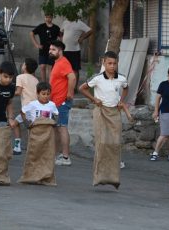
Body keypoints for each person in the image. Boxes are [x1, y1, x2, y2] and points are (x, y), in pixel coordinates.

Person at [78, 51, 128, 189]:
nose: (112, 66)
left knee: (115, 142)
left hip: (114, 112)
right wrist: (94, 99)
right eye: (109, 63)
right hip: (101, 111)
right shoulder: (98, 78)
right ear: (104, 63)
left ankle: (113, 177)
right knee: (102, 142)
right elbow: (82, 88)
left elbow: (126, 88)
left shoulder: (122, 78)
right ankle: (99, 177)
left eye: (114, 63)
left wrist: (121, 101)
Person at [18, 82, 59, 185]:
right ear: (37, 93)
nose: (46, 96)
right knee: (34, 154)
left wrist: (54, 123)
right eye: (43, 94)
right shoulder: (33, 104)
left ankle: (45, 176)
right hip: (35, 133)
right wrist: (27, 123)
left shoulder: (52, 105)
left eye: (48, 94)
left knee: (46, 155)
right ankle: (31, 176)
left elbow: (56, 115)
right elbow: (22, 112)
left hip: (48, 134)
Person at [48, 40, 76, 166]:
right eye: (50, 49)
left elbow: (72, 77)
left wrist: (69, 93)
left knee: (62, 128)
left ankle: (65, 157)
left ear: (60, 50)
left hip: (61, 101)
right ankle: (58, 155)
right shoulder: (58, 62)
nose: (50, 51)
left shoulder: (63, 62)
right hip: (55, 102)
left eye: (53, 49)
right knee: (57, 129)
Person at [12, 58, 39, 155]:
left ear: (25, 67)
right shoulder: (36, 80)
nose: (22, 65)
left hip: (26, 108)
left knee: (15, 124)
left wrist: (9, 93)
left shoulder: (20, 77)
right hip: (35, 108)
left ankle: (17, 147)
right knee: (31, 128)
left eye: (23, 64)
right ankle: (32, 149)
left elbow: (18, 92)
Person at [61, 18, 92, 90]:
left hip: (75, 50)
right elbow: (61, 32)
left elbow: (90, 30)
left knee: (75, 69)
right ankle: (65, 86)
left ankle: (74, 88)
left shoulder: (79, 23)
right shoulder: (65, 22)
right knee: (65, 69)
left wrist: (82, 38)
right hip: (65, 50)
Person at [30, 13, 61, 82]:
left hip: (52, 50)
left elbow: (61, 36)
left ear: (52, 18)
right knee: (42, 66)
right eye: (46, 17)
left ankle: (50, 84)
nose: (48, 19)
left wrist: (58, 47)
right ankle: (43, 83)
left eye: (49, 17)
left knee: (50, 68)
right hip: (43, 49)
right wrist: (36, 44)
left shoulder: (56, 28)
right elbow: (31, 33)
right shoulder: (41, 26)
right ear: (45, 18)